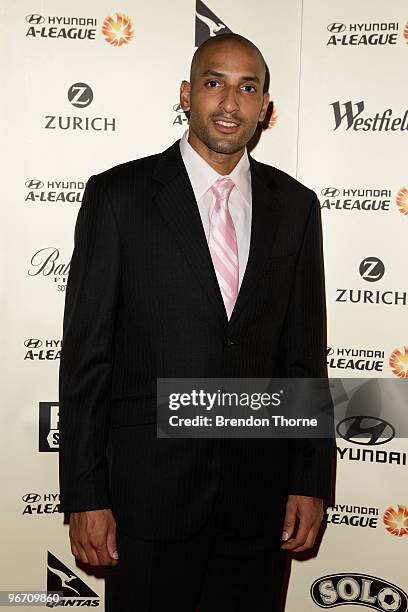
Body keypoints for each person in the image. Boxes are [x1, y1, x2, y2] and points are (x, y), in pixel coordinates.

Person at [58, 33, 335, 611]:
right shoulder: (118, 198)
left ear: (266, 107)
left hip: (258, 505)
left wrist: (309, 479)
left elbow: (303, 356)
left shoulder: (296, 206)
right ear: (187, 94)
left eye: (247, 88)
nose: (230, 103)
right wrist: (85, 494)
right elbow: (87, 360)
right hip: (147, 502)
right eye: (214, 83)